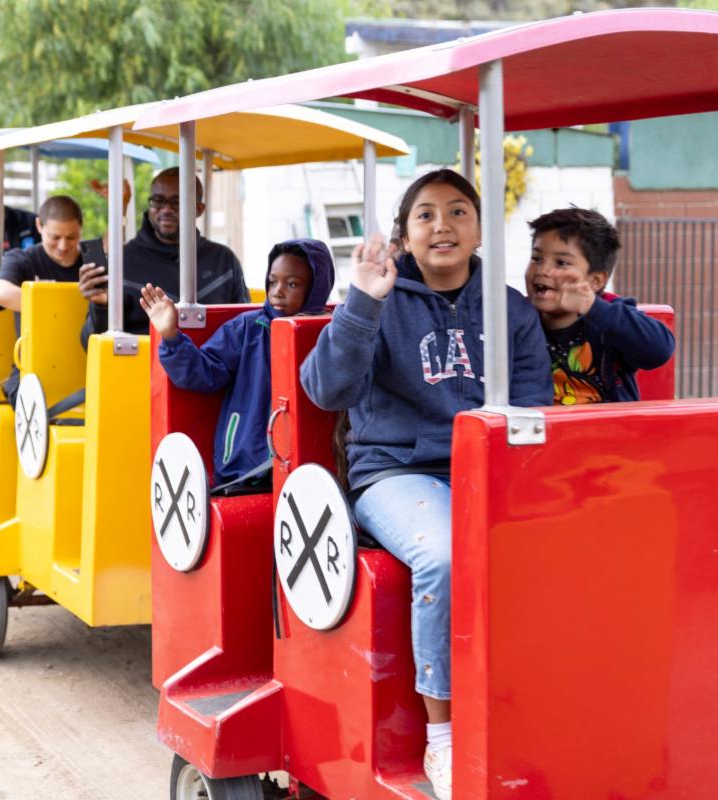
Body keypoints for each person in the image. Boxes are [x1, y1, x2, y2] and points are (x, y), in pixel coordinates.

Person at [299, 169, 552, 800]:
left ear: (480, 229)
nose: (443, 225)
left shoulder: (510, 310)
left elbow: (533, 405)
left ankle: (539, 707)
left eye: (459, 211)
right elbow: (326, 390)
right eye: (426, 214)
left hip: (487, 471)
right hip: (397, 472)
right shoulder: (379, 302)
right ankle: (443, 736)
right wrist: (362, 302)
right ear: (405, 235)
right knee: (442, 553)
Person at [141, 239, 334, 487]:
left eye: (292, 284)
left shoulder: (329, 333)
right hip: (244, 468)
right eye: (272, 282)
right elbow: (204, 373)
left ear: (315, 288)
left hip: (308, 467)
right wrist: (170, 336)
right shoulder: (246, 327)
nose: (277, 291)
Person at [80, 167, 248, 346]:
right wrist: (101, 306)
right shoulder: (122, 261)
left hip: (212, 362)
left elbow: (246, 328)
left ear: (199, 209)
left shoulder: (224, 261)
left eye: (177, 202)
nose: (166, 209)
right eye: (158, 201)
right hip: (142, 363)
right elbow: (89, 343)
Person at [525, 207, 675, 405]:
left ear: (595, 281)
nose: (543, 270)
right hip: (543, 423)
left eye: (561, 262)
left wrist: (594, 308)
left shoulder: (609, 316)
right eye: (536, 258)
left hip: (608, 424)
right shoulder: (518, 317)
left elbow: (659, 350)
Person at [0, 194, 105, 404]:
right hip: (32, 369)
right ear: (39, 226)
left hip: (88, 365)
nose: (63, 246)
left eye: (72, 237)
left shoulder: (93, 263)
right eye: (55, 237)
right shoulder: (22, 259)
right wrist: (60, 305)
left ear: (81, 229)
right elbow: (0, 293)